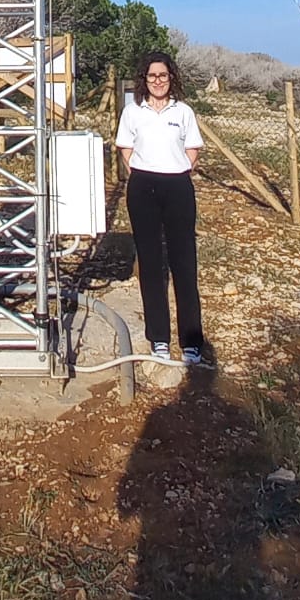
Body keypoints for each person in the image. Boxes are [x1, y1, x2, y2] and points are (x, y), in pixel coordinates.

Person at [115, 50, 207, 365]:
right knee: (151, 264)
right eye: (152, 76)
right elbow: (125, 147)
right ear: (145, 79)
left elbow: (192, 148)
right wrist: (141, 171)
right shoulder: (132, 112)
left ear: (171, 78)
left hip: (177, 186)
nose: (158, 81)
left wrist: (177, 169)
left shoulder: (183, 112)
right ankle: (159, 340)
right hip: (143, 187)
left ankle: (192, 341)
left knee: (184, 262)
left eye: (163, 76)